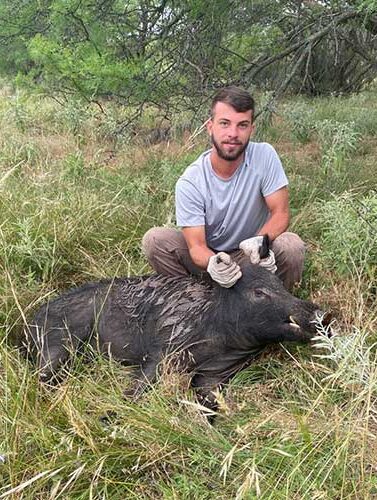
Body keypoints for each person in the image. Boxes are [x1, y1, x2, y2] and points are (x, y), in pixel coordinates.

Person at [142, 86, 305, 291]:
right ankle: (192, 301)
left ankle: (274, 306)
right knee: (155, 240)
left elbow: (280, 213)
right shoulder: (191, 181)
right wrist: (214, 263)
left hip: (251, 256)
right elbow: (197, 246)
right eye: (224, 124)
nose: (233, 134)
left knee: (291, 246)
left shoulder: (265, 155)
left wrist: (260, 242)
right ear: (210, 127)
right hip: (211, 260)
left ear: (252, 129)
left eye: (242, 125)